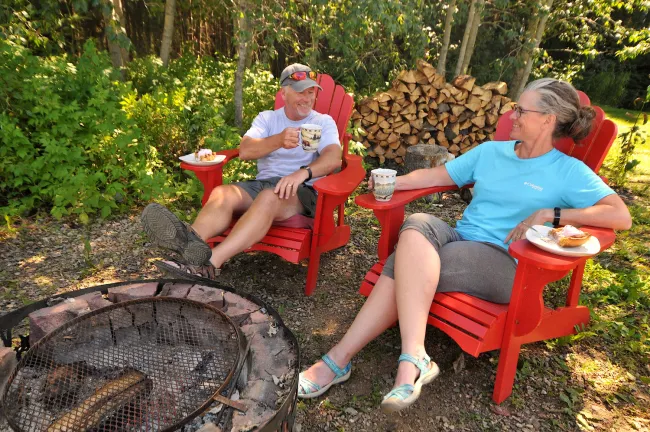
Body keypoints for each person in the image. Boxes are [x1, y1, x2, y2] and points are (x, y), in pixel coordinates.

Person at [297, 78, 632, 413]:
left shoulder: (567, 171)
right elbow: (437, 176)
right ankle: (414, 357)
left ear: (549, 119)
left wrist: (552, 212)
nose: (512, 115)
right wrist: (394, 182)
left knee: (406, 261)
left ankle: (340, 360)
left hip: (507, 260)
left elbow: (620, 215)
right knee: (417, 224)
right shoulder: (491, 152)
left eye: (521, 110)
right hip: (460, 238)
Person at [141, 64, 342, 279]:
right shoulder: (267, 119)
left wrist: (302, 173)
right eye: (300, 91)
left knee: (268, 197)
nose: (307, 97)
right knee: (221, 194)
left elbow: (333, 157)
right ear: (283, 93)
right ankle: (190, 246)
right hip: (262, 184)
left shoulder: (322, 122)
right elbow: (245, 150)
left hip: (301, 191)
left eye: (311, 91)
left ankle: (209, 264)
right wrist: (278, 140)